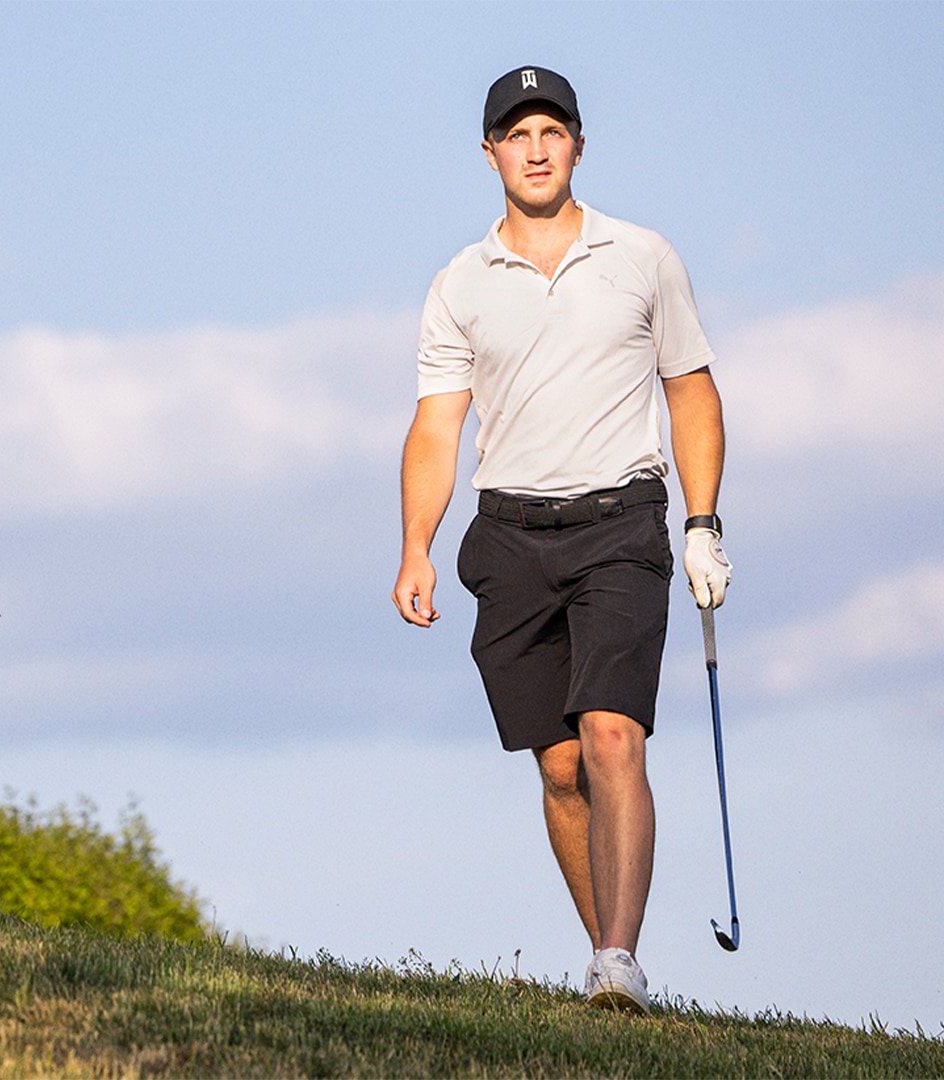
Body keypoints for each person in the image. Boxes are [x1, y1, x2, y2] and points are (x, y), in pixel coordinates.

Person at [391, 66, 732, 1015]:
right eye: (517, 134)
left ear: (579, 145)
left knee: (612, 733)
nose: (535, 150)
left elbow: (691, 391)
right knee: (560, 763)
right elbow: (436, 427)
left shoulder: (643, 256)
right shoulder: (459, 283)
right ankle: (604, 953)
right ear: (490, 153)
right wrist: (417, 547)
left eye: (552, 132)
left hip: (622, 525)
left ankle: (618, 963)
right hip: (510, 537)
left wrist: (702, 523)